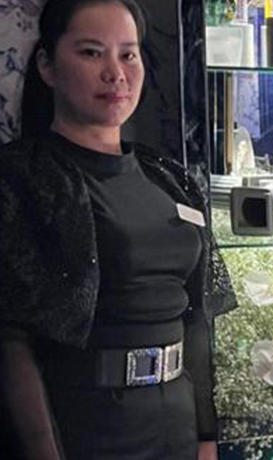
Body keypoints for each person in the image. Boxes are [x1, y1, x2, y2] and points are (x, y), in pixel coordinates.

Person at [0, 0, 235, 459]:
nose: (115, 73)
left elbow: (197, 318)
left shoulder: (170, 178)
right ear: (47, 65)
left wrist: (207, 438)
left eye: (128, 54)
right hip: (86, 431)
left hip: (176, 429)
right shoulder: (21, 178)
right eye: (91, 53)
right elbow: (11, 341)